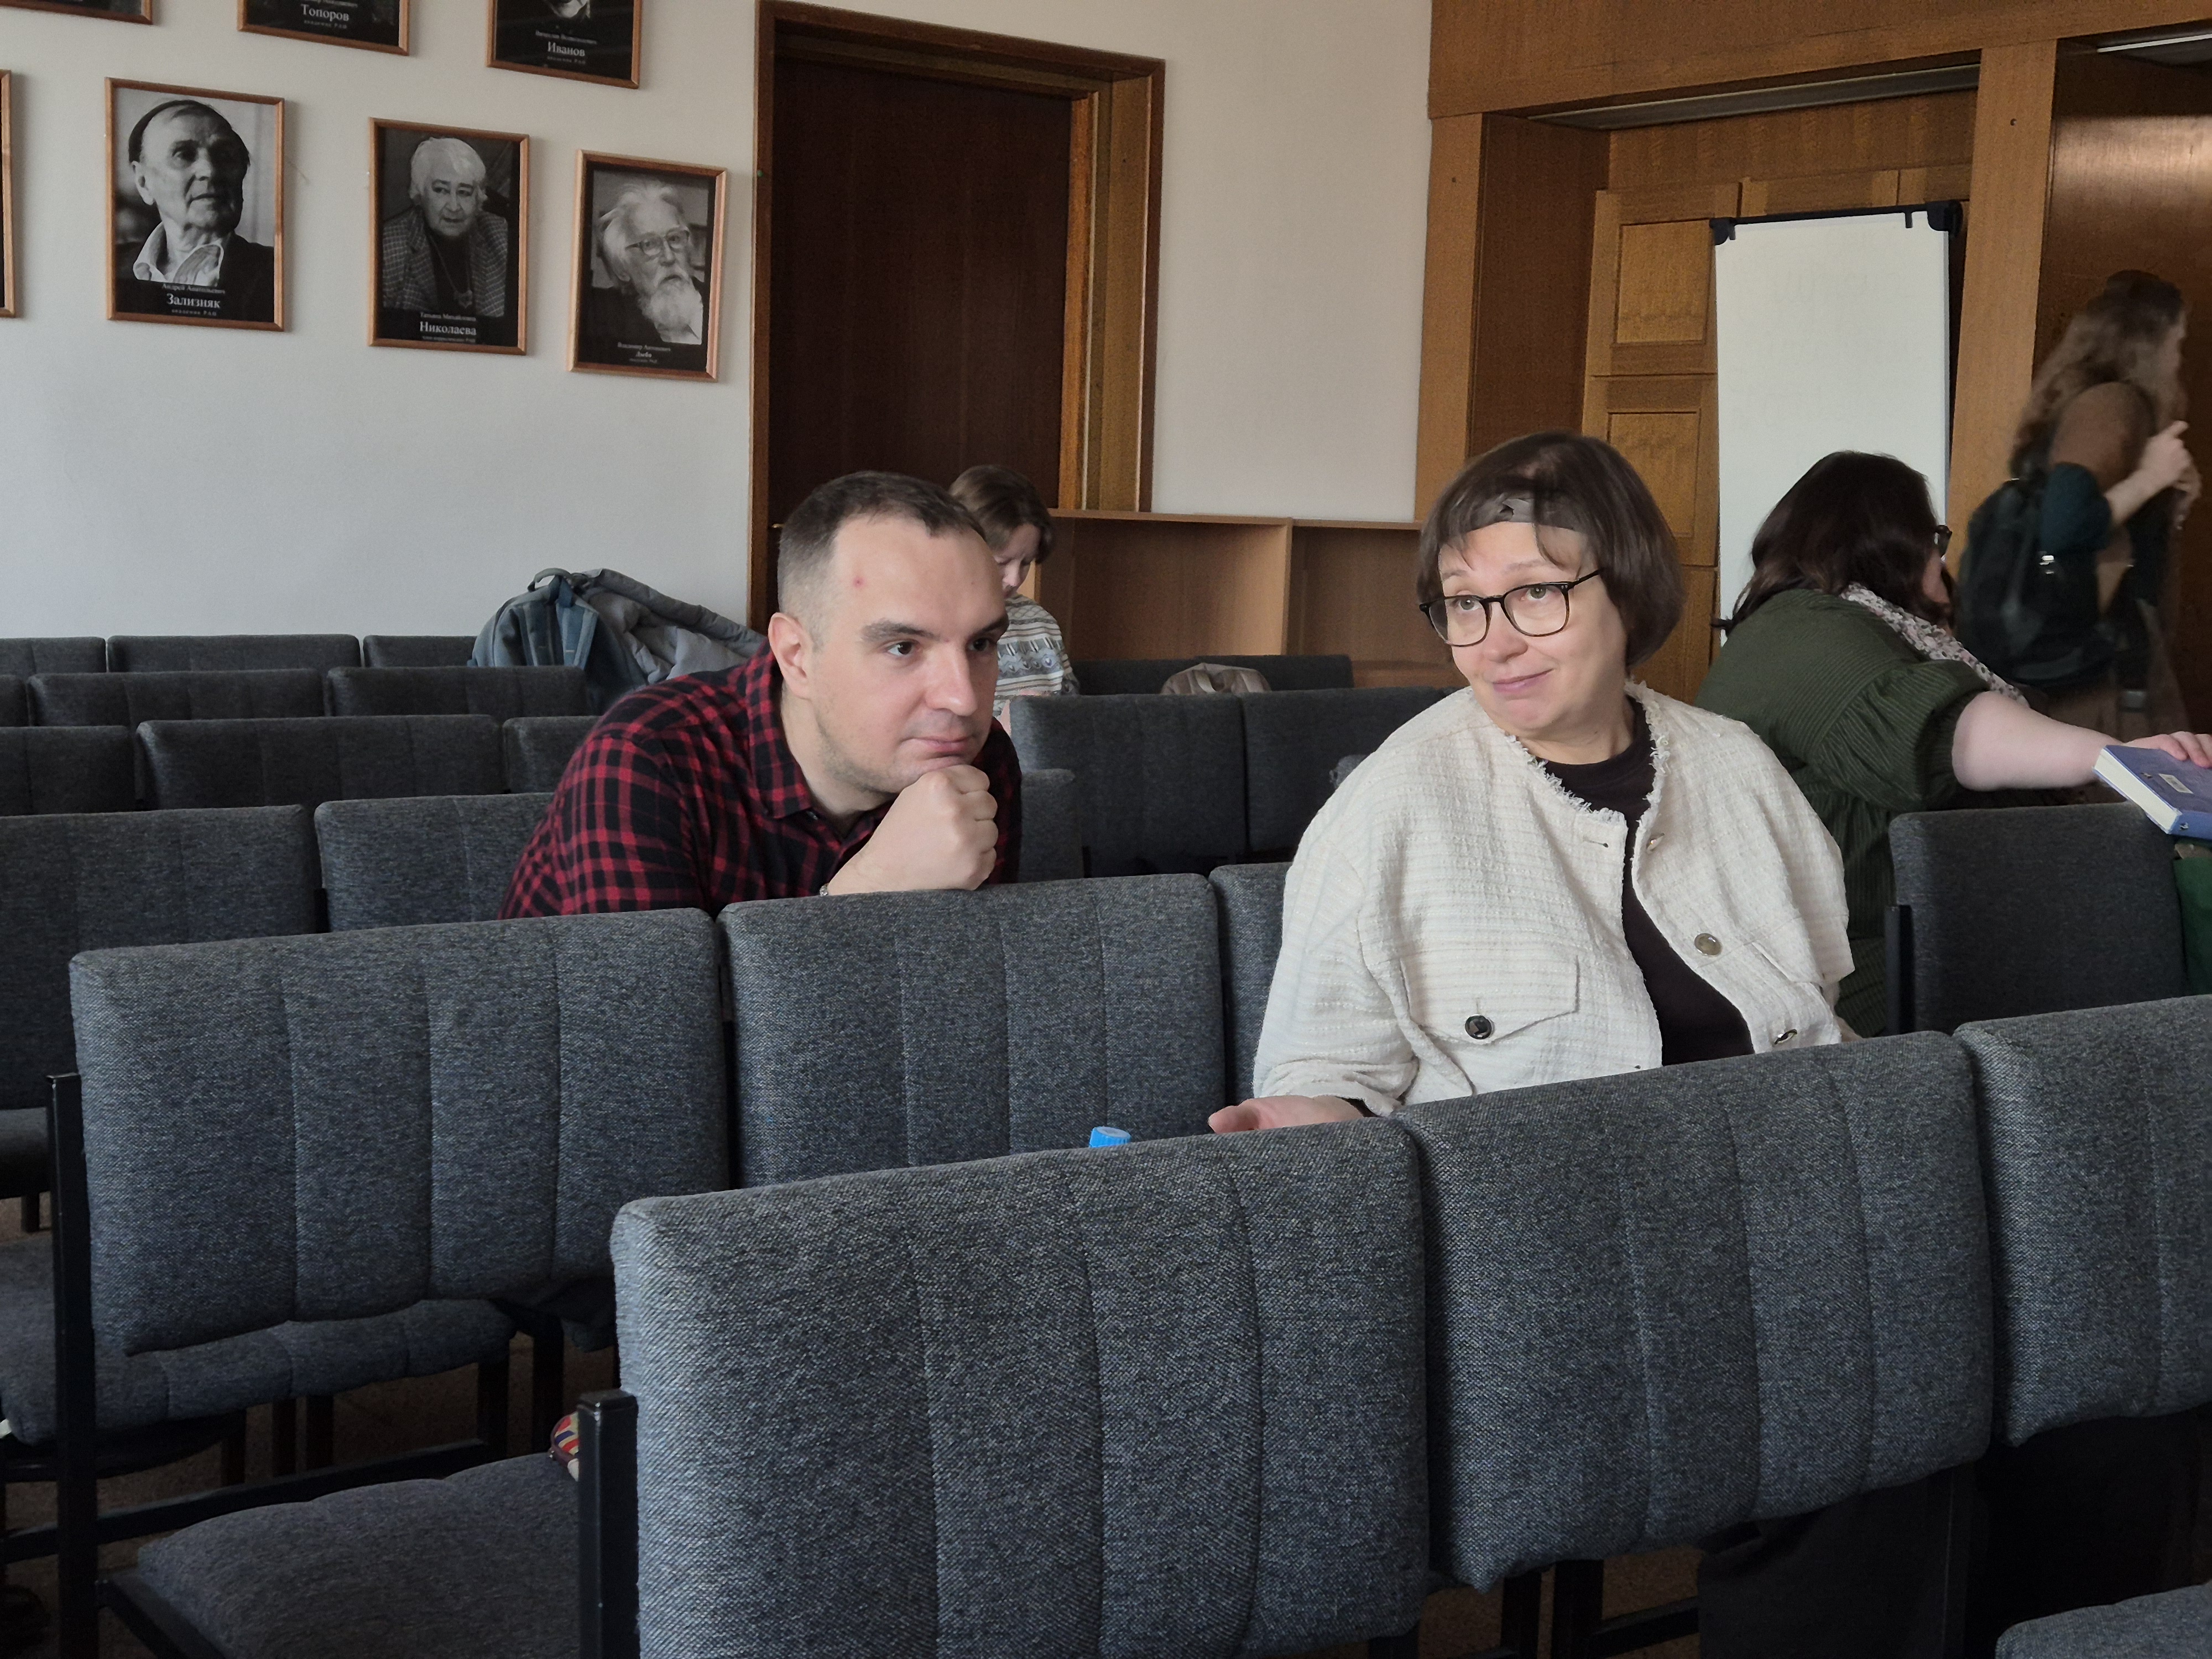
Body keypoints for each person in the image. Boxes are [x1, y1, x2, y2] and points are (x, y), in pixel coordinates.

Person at [1697, 451, 2212, 1036]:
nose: (1941, 559)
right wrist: (2125, 763)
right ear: (1888, 539)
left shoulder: (1854, 629)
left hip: (1941, 947)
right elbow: (1950, 734)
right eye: (1934, 539)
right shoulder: (1799, 627)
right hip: (1870, 975)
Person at [500, 471, 1021, 916]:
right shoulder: (648, 759)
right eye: (903, 648)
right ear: (796, 656)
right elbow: (648, 1007)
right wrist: (868, 890)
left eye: (981, 643)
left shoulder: (974, 754)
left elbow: (961, 989)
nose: (964, 700)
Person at [1957, 270, 2200, 736]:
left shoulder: (2079, 406)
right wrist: (2152, 478)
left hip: (2078, 671)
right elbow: (2066, 525)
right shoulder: (2114, 404)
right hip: (2099, 680)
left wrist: (2169, 499)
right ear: (2149, 344)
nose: (2177, 360)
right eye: (2177, 343)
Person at [113, 98, 275, 325]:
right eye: (184, 155)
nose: (210, 170)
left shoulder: (277, 274)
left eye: (224, 155)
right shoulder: (108, 269)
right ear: (143, 182)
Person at [949, 465, 1079, 727]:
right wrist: (1002, 733)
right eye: (1002, 562)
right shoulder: (930, 623)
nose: (1015, 579)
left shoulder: (1041, 622)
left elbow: (1075, 712)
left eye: (1026, 563)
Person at [378, 136, 512, 346]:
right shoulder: (390, 247)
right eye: (441, 190)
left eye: (464, 192)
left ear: (478, 198)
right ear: (420, 192)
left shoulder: (499, 233)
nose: (454, 206)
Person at [581, 181, 706, 371]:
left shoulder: (724, 305)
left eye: (675, 238)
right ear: (623, 269)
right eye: (649, 244)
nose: (669, 257)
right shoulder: (602, 321)